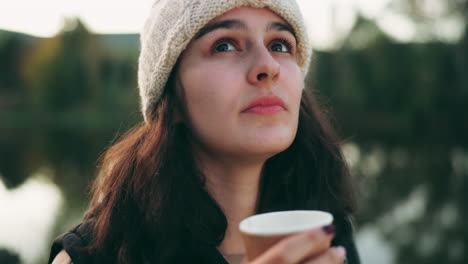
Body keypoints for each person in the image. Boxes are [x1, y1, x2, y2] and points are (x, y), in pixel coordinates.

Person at [49, 0, 360, 263]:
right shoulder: (94, 255)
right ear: (172, 98)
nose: (268, 66)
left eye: (280, 45)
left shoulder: (327, 235)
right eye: (224, 45)